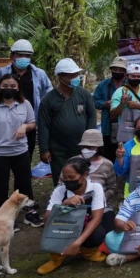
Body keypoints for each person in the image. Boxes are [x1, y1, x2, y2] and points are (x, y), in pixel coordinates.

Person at [0, 73, 42, 226]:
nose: (9, 89)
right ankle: (4, 219)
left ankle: (29, 214)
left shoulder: (25, 104)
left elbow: (32, 123)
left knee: (24, 184)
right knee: (0, 187)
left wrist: (24, 126)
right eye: (5, 86)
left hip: (20, 152)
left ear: (18, 88)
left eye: (12, 86)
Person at [0, 39, 52, 162]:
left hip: (29, 123)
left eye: (27, 55)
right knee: (2, 156)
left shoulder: (39, 74)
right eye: (20, 55)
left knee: (26, 156)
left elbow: (48, 95)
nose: (24, 58)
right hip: (4, 122)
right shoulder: (0, 74)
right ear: (12, 56)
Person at [37, 157, 107, 273]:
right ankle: (56, 258)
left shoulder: (95, 188)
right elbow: (47, 220)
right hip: (64, 227)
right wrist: (63, 205)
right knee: (52, 229)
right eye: (65, 178)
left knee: (98, 233)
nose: (67, 181)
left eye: (72, 177)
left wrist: (77, 243)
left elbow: (97, 218)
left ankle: (88, 252)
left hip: (84, 226)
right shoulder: (60, 190)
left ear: (85, 175)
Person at [37, 58, 96, 186]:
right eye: (72, 75)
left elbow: (92, 117)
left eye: (76, 74)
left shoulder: (84, 94)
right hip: (58, 149)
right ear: (61, 77)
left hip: (81, 147)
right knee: (62, 179)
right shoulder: (48, 99)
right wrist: (44, 150)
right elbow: (43, 125)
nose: (76, 77)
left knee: (82, 177)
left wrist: (90, 141)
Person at [109, 63, 140, 146]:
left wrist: (138, 106)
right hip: (125, 132)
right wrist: (122, 103)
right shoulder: (119, 92)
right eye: (133, 76)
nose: (136, 78)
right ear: (127, 76)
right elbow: (112, 115)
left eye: (138, 76)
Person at [92, 57, 128, 160]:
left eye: (121, 70)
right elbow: (94, 101)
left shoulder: (130, 84)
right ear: (111, 70)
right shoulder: (103, 85)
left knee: (125, 156)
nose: (117, 72)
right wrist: (104, 104)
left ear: (125, 72)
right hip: (107, 127)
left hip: (126, 127)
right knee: (108, 156)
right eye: (115, 69)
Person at [72, 129, 116, 205]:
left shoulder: (107, 165)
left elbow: (112, 188)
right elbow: (61, 185)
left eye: (89, 147)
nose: (85, 150)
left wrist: (100, 198)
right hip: (74, 204)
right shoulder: (72, 162)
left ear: (98, 147)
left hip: (100, 205)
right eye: (83, 147)